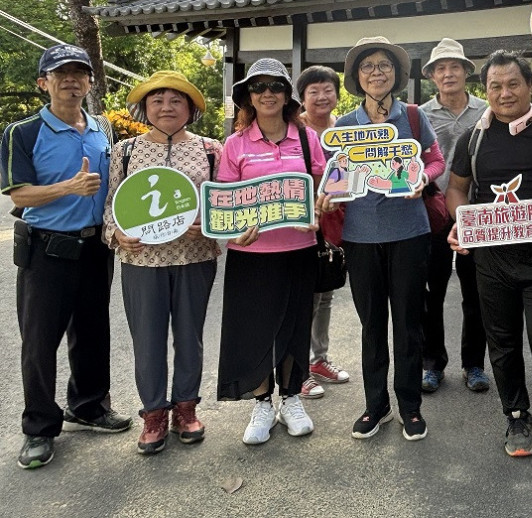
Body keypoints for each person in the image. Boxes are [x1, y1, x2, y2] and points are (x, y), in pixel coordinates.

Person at [447, 49, 532, 471]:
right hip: (492, 264)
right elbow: (457, 188)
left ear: (529, 86)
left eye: (513, 85)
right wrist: (462, 221)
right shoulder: (473, 138)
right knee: (502, 347)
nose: (504, 93)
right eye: (495, 86)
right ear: (484, 89)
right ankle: (516, 418)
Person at [1, 45, 132, 470]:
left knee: (93, 331)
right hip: (47, 249)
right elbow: (18, 194)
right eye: (61, 74)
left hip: (96, 247)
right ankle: (39, 427)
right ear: (45, 82)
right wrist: (67, 188)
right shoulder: (22, 132)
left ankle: (89, 406)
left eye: (80, 73)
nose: (72, 80)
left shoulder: (102, 129)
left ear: (90, 82)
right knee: (40, 342)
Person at [216, 58, 333, 446]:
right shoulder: (234, 144)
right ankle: (263, 401)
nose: (268, 93)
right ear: (249, 96)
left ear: (287, 96)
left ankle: (292, 398)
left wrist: (320, 206)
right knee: (254, 330)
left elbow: (321, 187)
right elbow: (226, 203)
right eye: (259, 87)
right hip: (251, 254)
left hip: (298, 250)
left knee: (294, 326)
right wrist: (236, 231)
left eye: (276, 86)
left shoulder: (305, 138)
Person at [104, 71, 222, 454]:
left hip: (195, 256)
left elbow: (225, 201)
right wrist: (116, 234)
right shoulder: (125, 151)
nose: (166, 107)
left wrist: (209, 225)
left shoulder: (210, 149)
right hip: (142, 261)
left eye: (176, 100)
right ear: (145, 108)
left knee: (191, 335)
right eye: (157, 100)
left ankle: (186, 408)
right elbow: (110, 206)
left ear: (190, 108)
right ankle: (154, 413)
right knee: (148, 341)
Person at [336, 37, 445, 441]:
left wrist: (423, 178)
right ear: (357, 77)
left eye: (384, 65)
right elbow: (337, 176)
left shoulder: (413, 117)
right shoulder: (345, 126)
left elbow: (435, 159)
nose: (377, 72)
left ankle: (410, 406)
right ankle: (375, 405)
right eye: (368, 67)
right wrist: (328, 193)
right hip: (360, 237)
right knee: (372, 325)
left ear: (396, 74)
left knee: (408, 323)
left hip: (410, 233)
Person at [419, 38, 490, 394]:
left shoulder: (487, 109)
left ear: (465, 72)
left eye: (454, 67)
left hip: (476, 211)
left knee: (476, 292)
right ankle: (432, 364)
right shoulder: (419, 115)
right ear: (432, 75)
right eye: (440, 68)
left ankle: (474, 364)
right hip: (432, 211)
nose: (448, 74)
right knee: (430, 291)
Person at [295, 65, 351, 400]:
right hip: (301, 224)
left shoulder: (342, 129)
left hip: (335, 222)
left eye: (328, 89)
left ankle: (319, 360)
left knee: (326, 292)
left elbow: (349, 174)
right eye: (313, 90)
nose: (321, 96)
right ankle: (299, 370)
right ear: (302, 97)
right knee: (305, 298)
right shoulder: (293, 129)